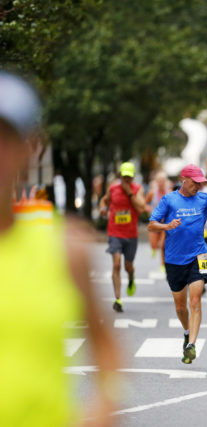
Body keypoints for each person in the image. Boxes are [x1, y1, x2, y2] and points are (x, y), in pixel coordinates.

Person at [0, 70, 120, 426]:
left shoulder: (65, 248)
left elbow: (105, 344)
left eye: (5, 138)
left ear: (31, 147)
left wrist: (103, 408)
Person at [148, 164, 207, 364]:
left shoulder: (204, 199)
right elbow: (151, 225)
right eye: (195, 182)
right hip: (174, 259)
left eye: (201, 183)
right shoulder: (169, 200)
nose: (198, 186)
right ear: (184, 180)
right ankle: (187, 332)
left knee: (196, 300)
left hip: (202, 255)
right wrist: (166, 226)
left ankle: (192, 345)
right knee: (180, 307)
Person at [99, 161, 146, 313]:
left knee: (128, 266)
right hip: (115, 233)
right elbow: (104, 200)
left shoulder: (137, 190)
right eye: (124, 176)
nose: (126, 180)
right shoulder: (113, 189)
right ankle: (118, 299)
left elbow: (141, 207)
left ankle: (131, 277)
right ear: (120, 175)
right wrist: (102, 208)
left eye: (129, 177)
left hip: (131, 235)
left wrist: (129, 193)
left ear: (132, 178)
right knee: (117, 264)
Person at [146, 170, 171, 269]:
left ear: (165, 182)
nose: (161, 183)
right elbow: (145, 203)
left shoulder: (169, 194)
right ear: (156, 182)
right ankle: (154, 249)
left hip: (165, 223)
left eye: (163, 181)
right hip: (154, 222)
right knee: (154, 245)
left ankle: (163, 265)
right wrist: (148, 209)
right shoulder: (152, 193)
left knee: (163, 244)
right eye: (159, 181)